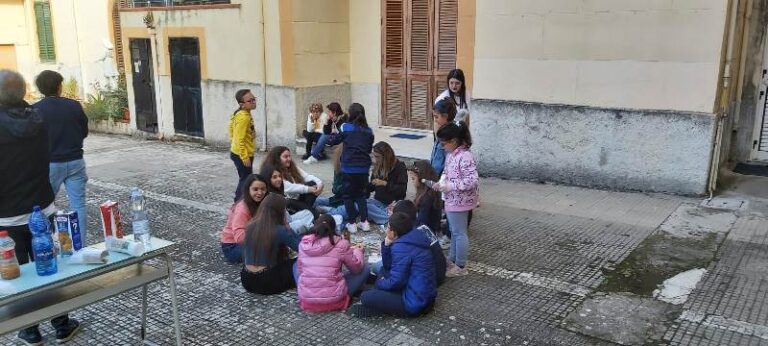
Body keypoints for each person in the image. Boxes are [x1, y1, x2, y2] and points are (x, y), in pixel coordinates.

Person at [0, 69, 81, 344]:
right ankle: (61, 323)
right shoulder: (37, 119)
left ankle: (30, 329)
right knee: (48, 266)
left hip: (7, 216)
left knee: (19, 273)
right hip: (41, 206)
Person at [33, 70, 89, 245]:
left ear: (41, 89)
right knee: (78, 205)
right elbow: (84, 130)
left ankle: (46, 243)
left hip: (50, 164)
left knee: (43, 206)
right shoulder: (74, 105)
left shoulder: (35, 110)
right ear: (59, 86)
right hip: (76, 160)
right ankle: (80, 245)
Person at [349, 212, 437, 318]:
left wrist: (380, 283)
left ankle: (380, 307)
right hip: (421, 294)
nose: (386, 230)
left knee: (365, 296)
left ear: (394, 231)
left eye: (388, 227)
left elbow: (396, 281)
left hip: (414, 303)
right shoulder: (414, 236)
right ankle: (381, 298)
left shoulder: (401, 247)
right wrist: (386, 245)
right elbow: (388, 266)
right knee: (382, 271)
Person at [293, 214, 369, 312]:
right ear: (333, 229)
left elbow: (300, 269)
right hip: (334, 300)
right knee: (365, 268)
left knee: (296, 265)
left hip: (307, 301)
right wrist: (358, 252)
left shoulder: (304, 244)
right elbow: (356, 269)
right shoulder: (341, 243)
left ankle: (309, 292)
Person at [324, 141, 407, 227]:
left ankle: (389, 219)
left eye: (377, 157)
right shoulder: (378, 166)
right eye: (374, 156)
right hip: (377, 202)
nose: (375, 160)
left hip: (390, 204)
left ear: (386, 156)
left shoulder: (399, 167)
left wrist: (385, 184)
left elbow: (402, 190)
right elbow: (370, 187)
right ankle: (331, 215)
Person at [434, 122, 479, 277]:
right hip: (452, 199)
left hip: (460, 201)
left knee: (459, 233)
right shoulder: (451, 154)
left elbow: (472, 180)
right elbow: (447, 173)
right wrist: (441, 184)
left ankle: (460, 265)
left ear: (453, 141)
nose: (441, 146)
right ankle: (452, 260)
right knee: (454, 231)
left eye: (443, 143)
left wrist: (450, 186)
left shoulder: (465, 156)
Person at [325, 103, 374, 233]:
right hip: (364, 168)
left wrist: (330, 134)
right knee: (361, 195)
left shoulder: (345, 127)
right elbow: (368, 149)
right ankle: (365, 222)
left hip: (349, 168)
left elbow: (333, 141)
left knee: (348, 196)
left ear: (351, 114)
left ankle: (352, 224)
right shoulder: (369, 131)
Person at [373, 200, 446, 287]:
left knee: (377, 267)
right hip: (439, 272)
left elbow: (391, 264)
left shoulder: (407, 233)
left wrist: (387, 244)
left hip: (426, 279)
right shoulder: (423, 226)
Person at [240, 194, 301, 295]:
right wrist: (290, 230)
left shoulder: (250, 225)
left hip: (247, 279)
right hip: (268, 282)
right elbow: (302, 248)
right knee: (299, 261)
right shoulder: (280, 230)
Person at [261, 146, 323, 218]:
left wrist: (320, 184)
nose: (289, 159)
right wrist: (310, 189)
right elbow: (287, 187)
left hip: (296, 198)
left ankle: (308, 213)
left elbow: (307, 176)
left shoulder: (291, 167)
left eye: (289, 156)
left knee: (312, 183)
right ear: (277, 158)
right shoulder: (272, 170)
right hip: (283, 202)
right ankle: (314, 215)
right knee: (291, 202)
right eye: (286, 157)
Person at [220, 174, 269, 264]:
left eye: (263, 189)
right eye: (255, 189)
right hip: (232, 246)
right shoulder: (242, 208)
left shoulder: (263, 202)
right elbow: (239, 237)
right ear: (248, 190)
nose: (260, 192)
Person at [258, 164, 314, 233]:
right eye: (274, 177)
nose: (279, 179)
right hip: (281, 226)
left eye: (279, 176)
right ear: (268, 179)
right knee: (304, 222)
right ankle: (308, 227)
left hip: (288, 218)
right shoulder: (270, 196)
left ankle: (307, 226)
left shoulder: (278, 190)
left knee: (308, 213)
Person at [229, 89, 257, 201]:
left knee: (245, 178)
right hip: (242, 155)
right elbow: (239, 138)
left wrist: (233, 143)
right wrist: (244, 156)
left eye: (254, 99)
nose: (254, 102)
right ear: (242, 104)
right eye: (250, 101)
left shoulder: (241, 113)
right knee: (246, 179)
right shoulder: (244, 117)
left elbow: (231, 128)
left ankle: (241, 201)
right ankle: (238, 202)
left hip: (238, 152)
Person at [409, 161, 443, 241]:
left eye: (413, 179)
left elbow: (422, 221)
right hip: (429, 230)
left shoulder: (427, 197)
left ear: (422, 179)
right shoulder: (428, 192)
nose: (412, 182)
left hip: (426, 234)